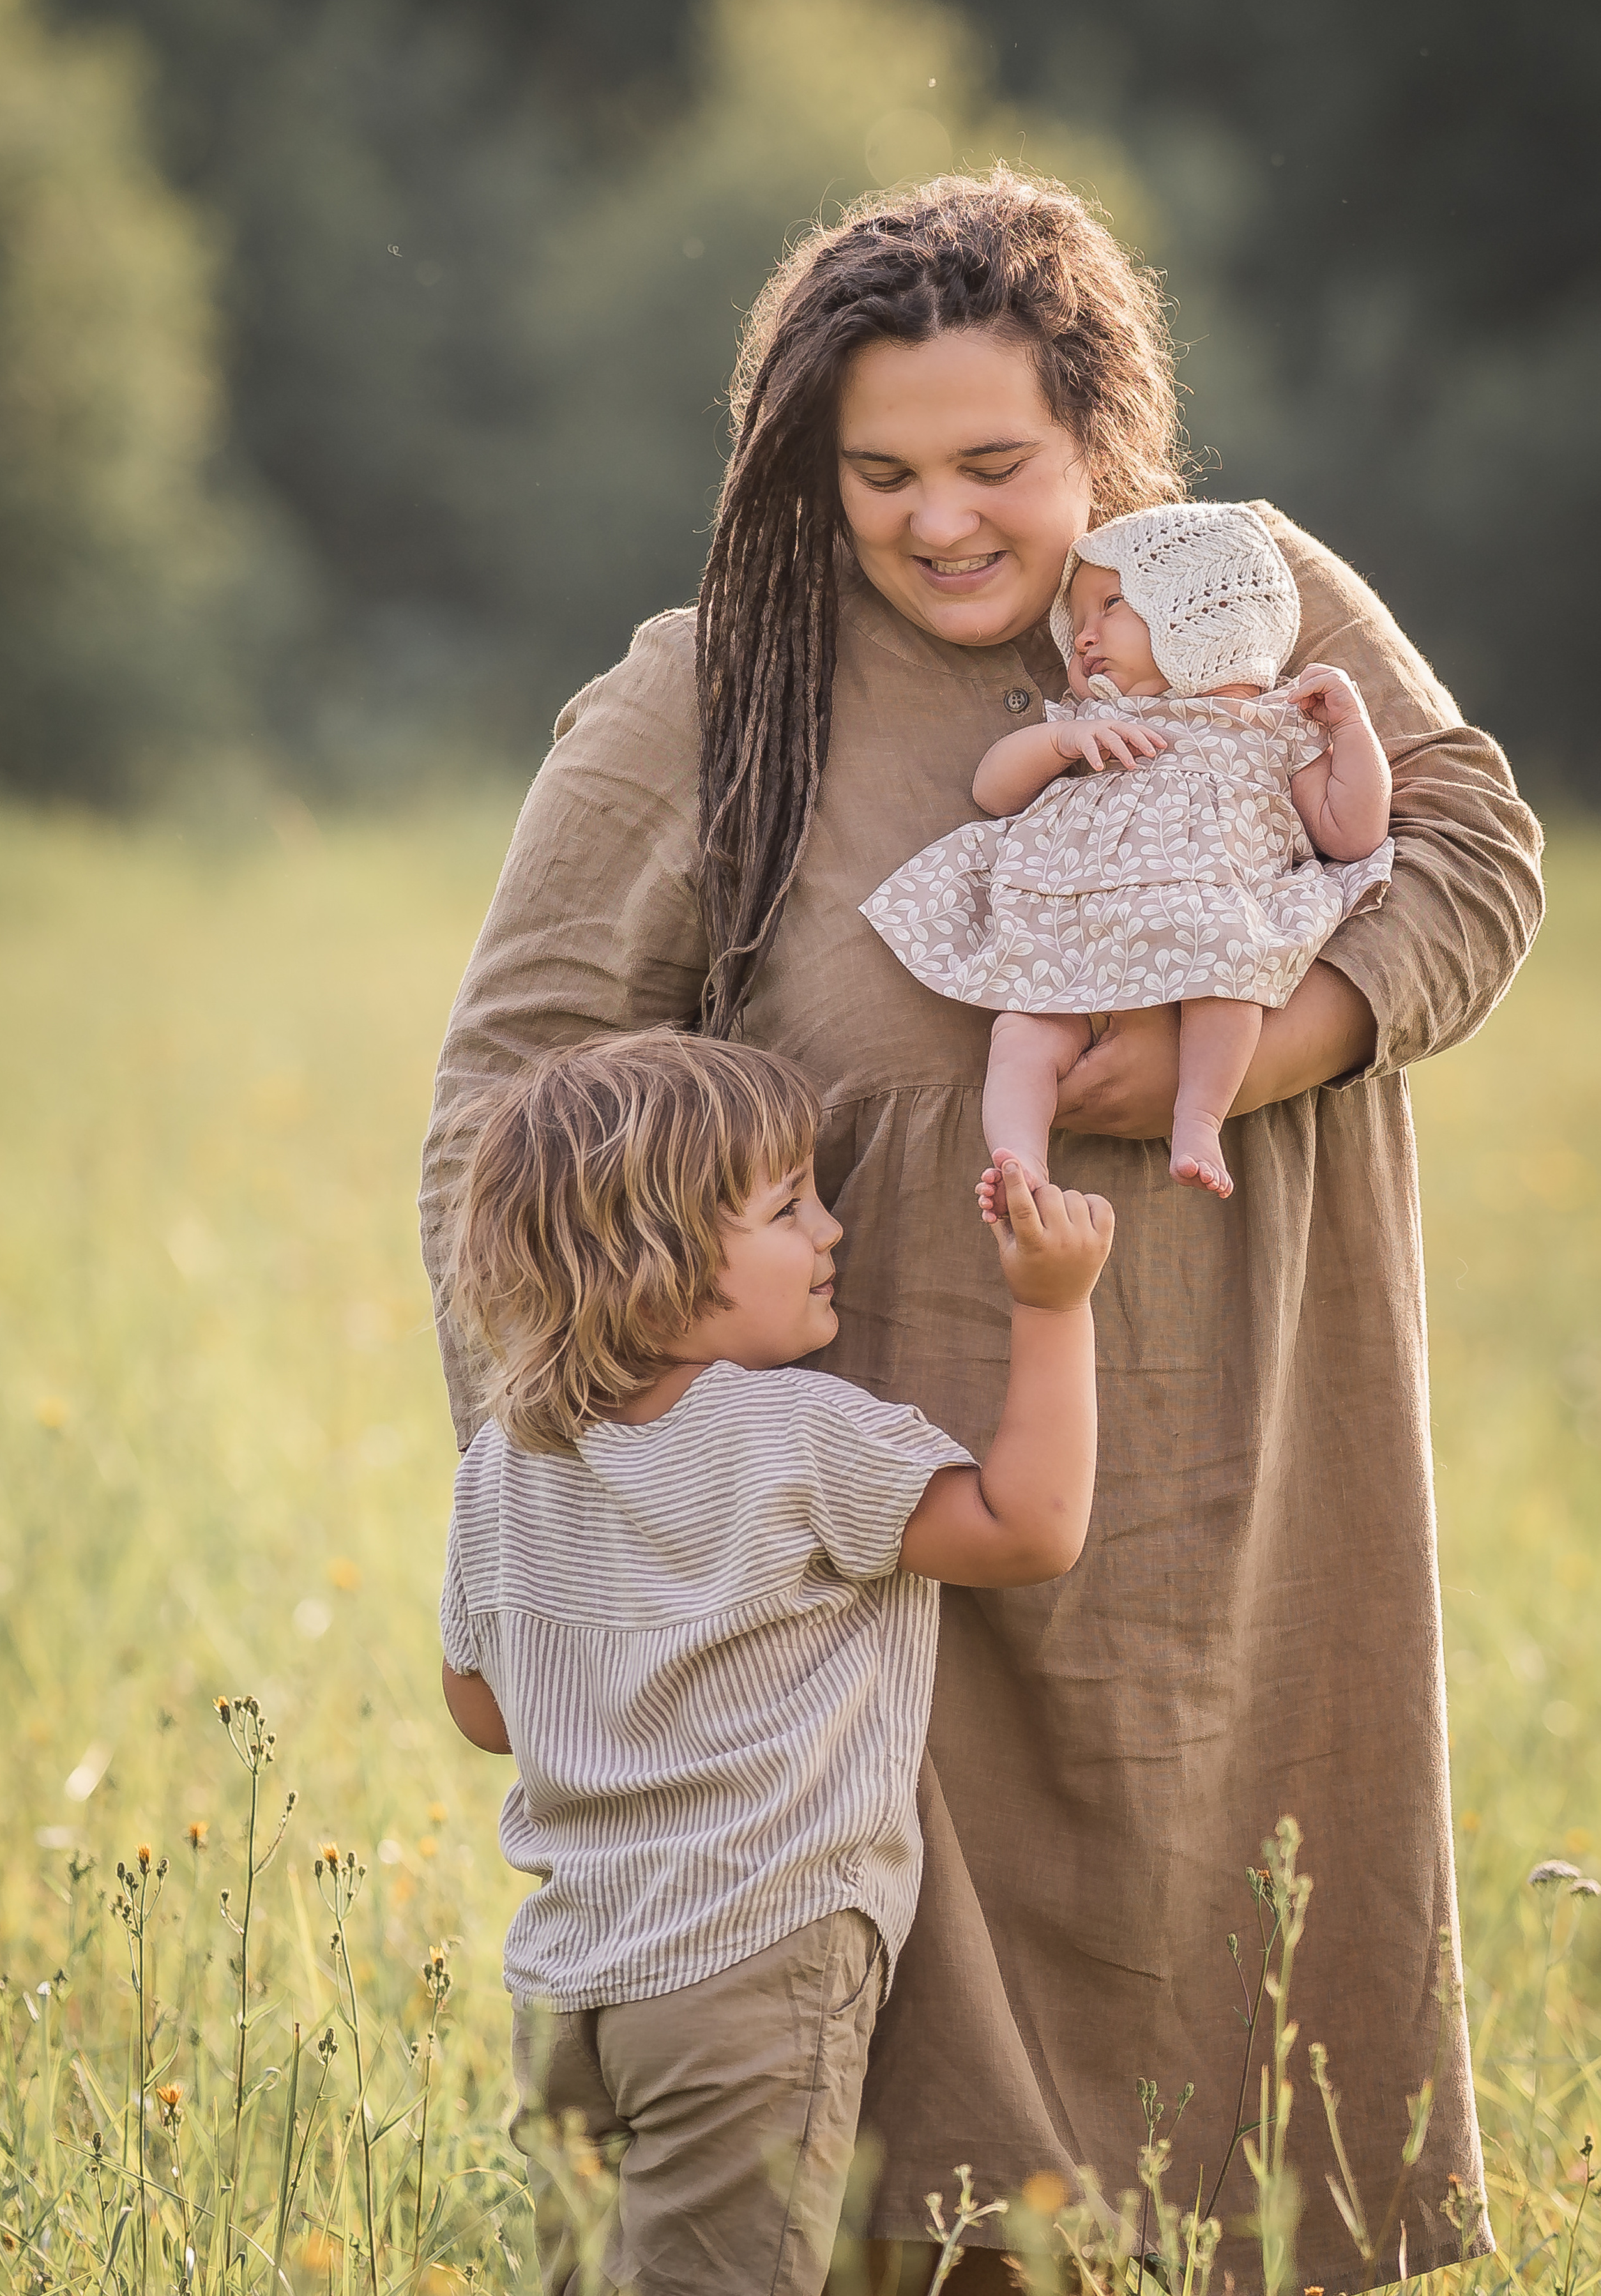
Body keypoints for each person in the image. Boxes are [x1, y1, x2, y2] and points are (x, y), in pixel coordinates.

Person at [420, 170, 1544, 2288]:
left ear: (1111, 439)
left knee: (1255, 2096)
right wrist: (579, 1474)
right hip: (870, 1535)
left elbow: (1473, 850)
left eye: (997, 466)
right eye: (882, 473)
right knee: (911, 2178)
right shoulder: (708, 696)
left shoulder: (1245, 598)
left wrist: (1275, 1038)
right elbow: (508, 1090)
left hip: (1252, 1492)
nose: (941, 522)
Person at [436, 1029, 1113, 2295]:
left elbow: (480, 1707)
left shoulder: (499, 1466)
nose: (834, 1228)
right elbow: (1029, 1526)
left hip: (568, 1984)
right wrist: (1051, 1301)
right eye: (789, 1205)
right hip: (749, 1965)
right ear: (663, 1268)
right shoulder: (797, 1437)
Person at [860, 501, 1393, 1201]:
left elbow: (1350, 833)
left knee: (1230, 980)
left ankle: (1197, 1116)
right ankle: (1018, 1159)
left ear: (1197, 606)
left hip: (1205, 920)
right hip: (1075, 922)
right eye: (1076, 620)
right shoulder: (1093, 719)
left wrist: (1352, 731)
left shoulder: (1274, 727)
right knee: (1022, 1030)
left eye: (1111, 604)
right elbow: (993, 792)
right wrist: (1058, 744)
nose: (1083, 637)